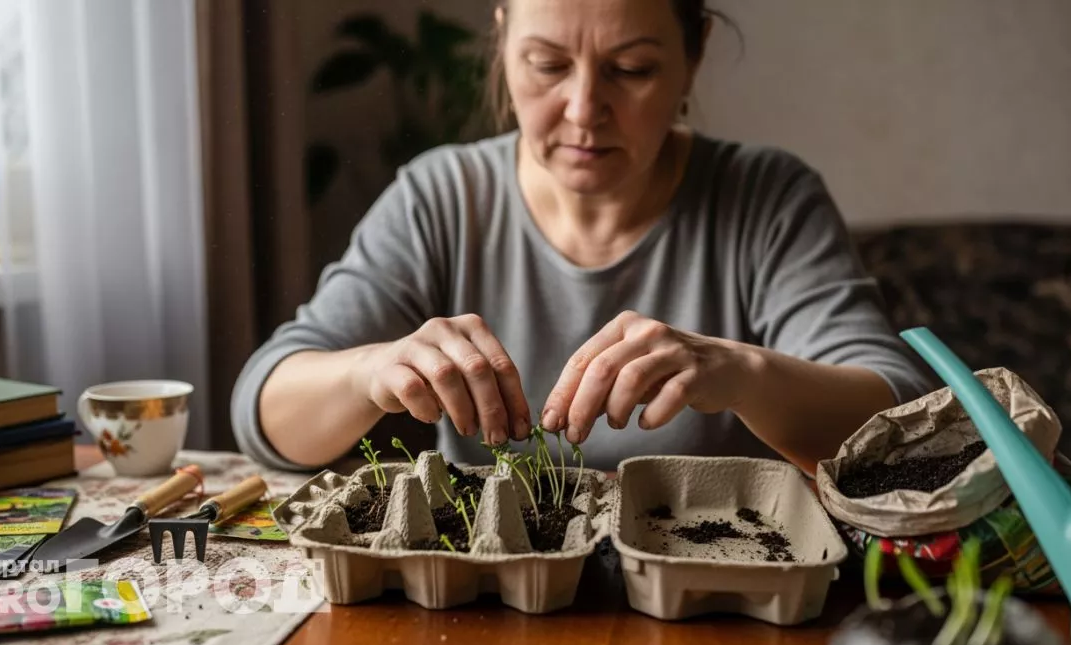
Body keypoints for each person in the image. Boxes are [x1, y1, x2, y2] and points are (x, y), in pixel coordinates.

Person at [230, 0, 933, 475]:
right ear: (503, 39)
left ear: (694, 57)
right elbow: (265, 409)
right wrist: (368, 371)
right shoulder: (439, 198)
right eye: (547, 64)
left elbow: (900, 410)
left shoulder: (767, 198)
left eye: (632, 70)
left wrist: (740, 373)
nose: (584, 108)